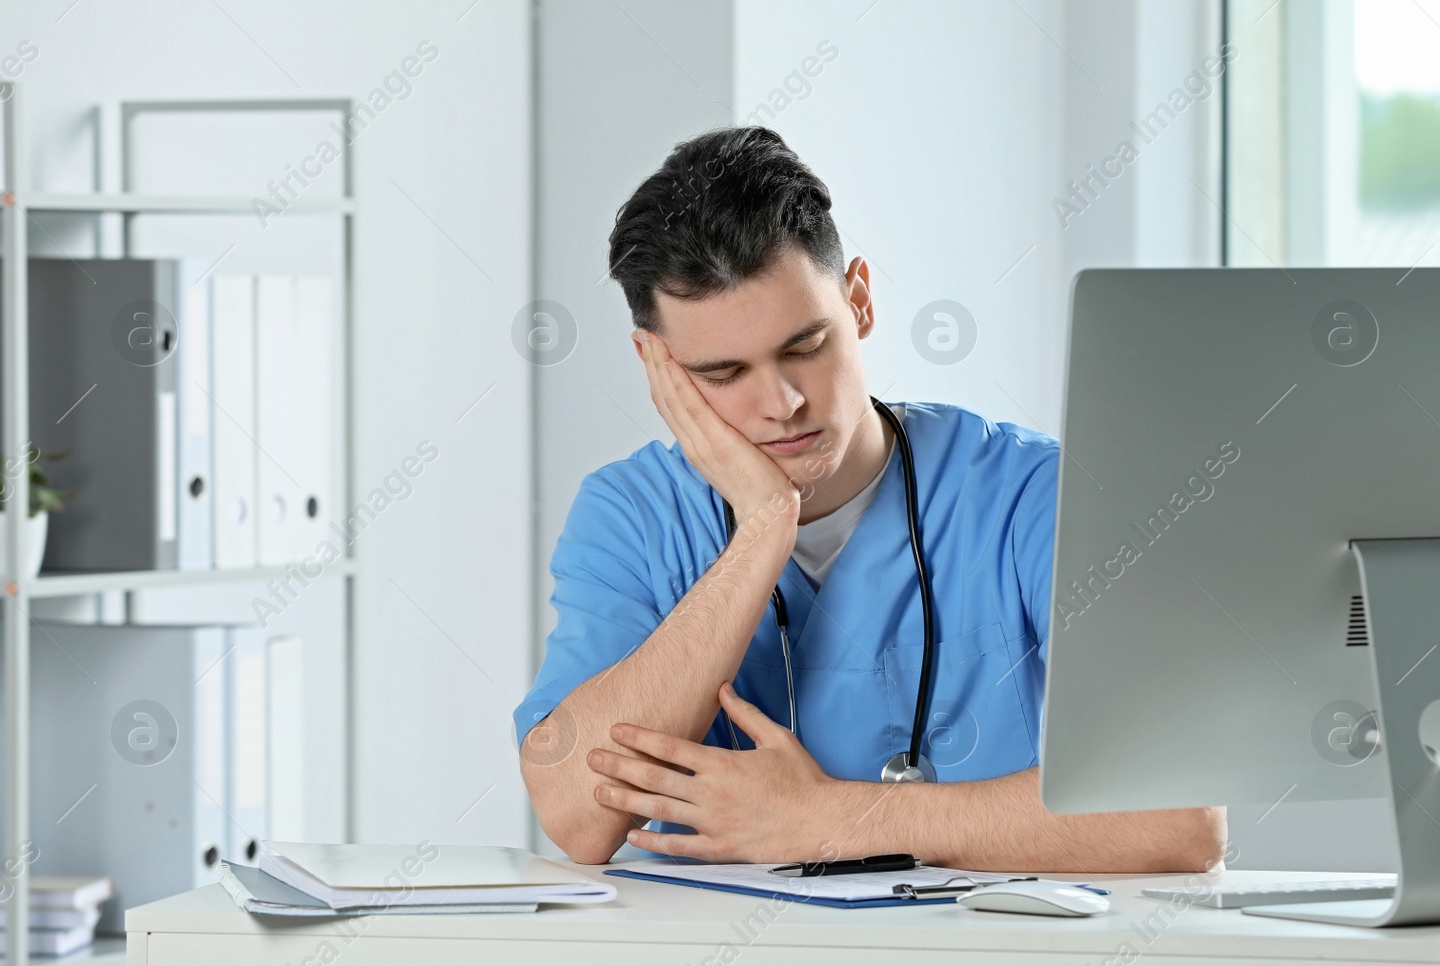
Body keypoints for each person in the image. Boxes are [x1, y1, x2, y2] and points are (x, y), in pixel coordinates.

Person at [514, 126, 1225, 871]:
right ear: (656, 363)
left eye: (806, 345)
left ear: (858, 300)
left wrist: (830, 816)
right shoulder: (633, 518)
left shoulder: (1027, 496)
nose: (782, 401)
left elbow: (1181, 818)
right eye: (724, 373)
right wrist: (762, 531)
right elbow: (576, 816)